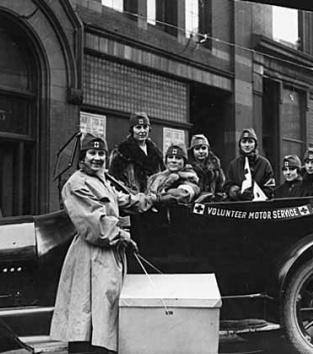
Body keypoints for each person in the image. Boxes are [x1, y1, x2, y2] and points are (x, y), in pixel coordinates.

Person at [50, 133, 174, 354]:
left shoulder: (103, 180)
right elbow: (95, 225)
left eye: (101, 154)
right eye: (92, 153)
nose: (97, 158)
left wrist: (153, 199)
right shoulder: (76, 184)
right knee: (86, 312)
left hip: (108, 256)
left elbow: (124, 199)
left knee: (105, 310)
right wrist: (123, 237)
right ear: (83, 156)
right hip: (90, 255)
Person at [108, 112, 164, 192]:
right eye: (138, 127)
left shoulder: (156, 153)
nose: (142, 131)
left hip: (154, 199)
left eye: (145, 127)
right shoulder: (121, 152)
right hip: (132, 199)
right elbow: (115, 181)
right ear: (132, 130)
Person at [224, 128, 276, 201]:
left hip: (260, 206)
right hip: (238, 207)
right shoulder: (233, 165)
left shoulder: (264, 164)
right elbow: (227, 186)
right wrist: (235, 191)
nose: (247, 145)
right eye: (244, 142)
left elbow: (270, 187)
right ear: (240, 144)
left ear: (255, 144)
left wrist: (254, 195)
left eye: (250, 141)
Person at [187, 134, 226, 200]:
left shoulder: (215, 167)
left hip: (212, 203)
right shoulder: (187, 167)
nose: (201, 151)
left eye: (204, 148)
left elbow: (221, 186)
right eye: (197, 149)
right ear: (192, 151)